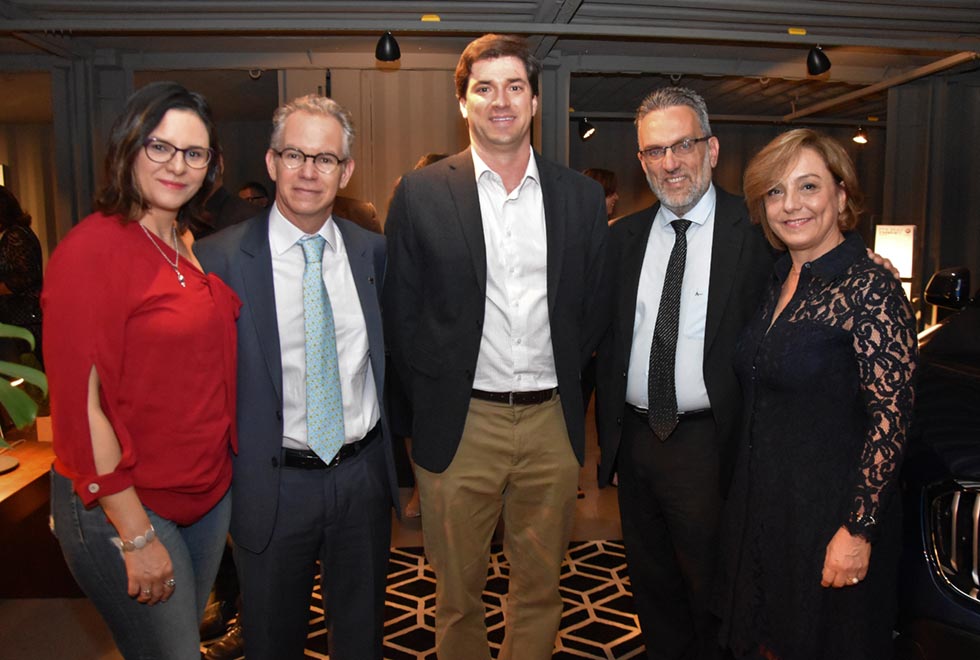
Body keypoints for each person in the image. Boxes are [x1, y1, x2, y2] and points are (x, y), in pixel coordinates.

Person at [383, 33, 609, 660]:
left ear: (534, 99)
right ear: (463, 102)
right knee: (457, 594)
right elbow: (402, 316)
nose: (500, 100)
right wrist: (425, 405)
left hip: (551, 424)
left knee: (541, 590)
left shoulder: (580, 197)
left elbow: (593, 308)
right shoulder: (421, 193)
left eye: (515, 86)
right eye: (484, 88)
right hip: (462, 425)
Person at [42, 81, 241, 659]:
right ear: (128, 148)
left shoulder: (181, 240)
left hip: (203, 496)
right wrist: (134, 534)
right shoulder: (92, 250)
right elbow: (82, 408)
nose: (177, 165)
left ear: (211, 165)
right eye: (160, 146)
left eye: (194, 153)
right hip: (127, 504)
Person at [196, 93, 398, 660]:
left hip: (361, 479)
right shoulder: (219, 261)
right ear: (270, 162)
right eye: (295, 155)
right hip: (272, 483)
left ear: (347, 170)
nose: (309, 172)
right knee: (271, 640)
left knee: (361, 638)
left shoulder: (374, 255)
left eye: (325, 159)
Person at [716, 128, 917, 659]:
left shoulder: (871, 287)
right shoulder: (778, 279)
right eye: (776, 192)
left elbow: (890, 420)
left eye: (808, 187)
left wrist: (858, 530)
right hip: (764, 512)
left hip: (830, 518)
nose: (791, 205)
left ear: (841, 195)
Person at [594, 86, 774, 660]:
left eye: (682, 145)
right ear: (640, 159)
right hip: (637, 440)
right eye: (653, 151)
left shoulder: (759, 236)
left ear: (712, 149)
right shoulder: (620, 239)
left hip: (711, 442)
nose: (669, 163)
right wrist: (614, 447)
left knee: (714, 594)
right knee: (654, 592)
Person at [0, 185, 44, 367]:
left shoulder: (15, 235)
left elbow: (23, 278)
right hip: (21, 318)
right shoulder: (14, 234)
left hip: (24, 320)